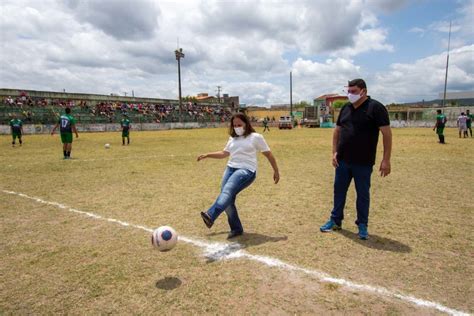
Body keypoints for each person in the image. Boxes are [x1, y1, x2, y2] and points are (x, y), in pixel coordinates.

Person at [320, 79, 392, 240]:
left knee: (362, 194)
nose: (350, 94)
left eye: (353, 91)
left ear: (363, 92)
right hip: (343, 161)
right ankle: (335, 220)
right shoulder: (346, 108)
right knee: (339, 191)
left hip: (364, 162)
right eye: (348, 91)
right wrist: (334, 152)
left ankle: (362, 224)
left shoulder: (376, 108)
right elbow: (337, 131)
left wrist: (386, 159)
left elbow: (386, 134)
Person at [197, 113, 280, 239]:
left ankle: (211, 215)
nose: (237, 127)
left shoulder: (256, 137)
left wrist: (276, 171)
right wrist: (208, 155)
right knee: (227, 199)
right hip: (230, 168)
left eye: (239, 125)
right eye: (234, 125)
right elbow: (224, 153)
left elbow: (268, 154)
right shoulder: (233, 138)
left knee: (227, 191)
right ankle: (236, 229)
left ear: (246, 124)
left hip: (246, 170)